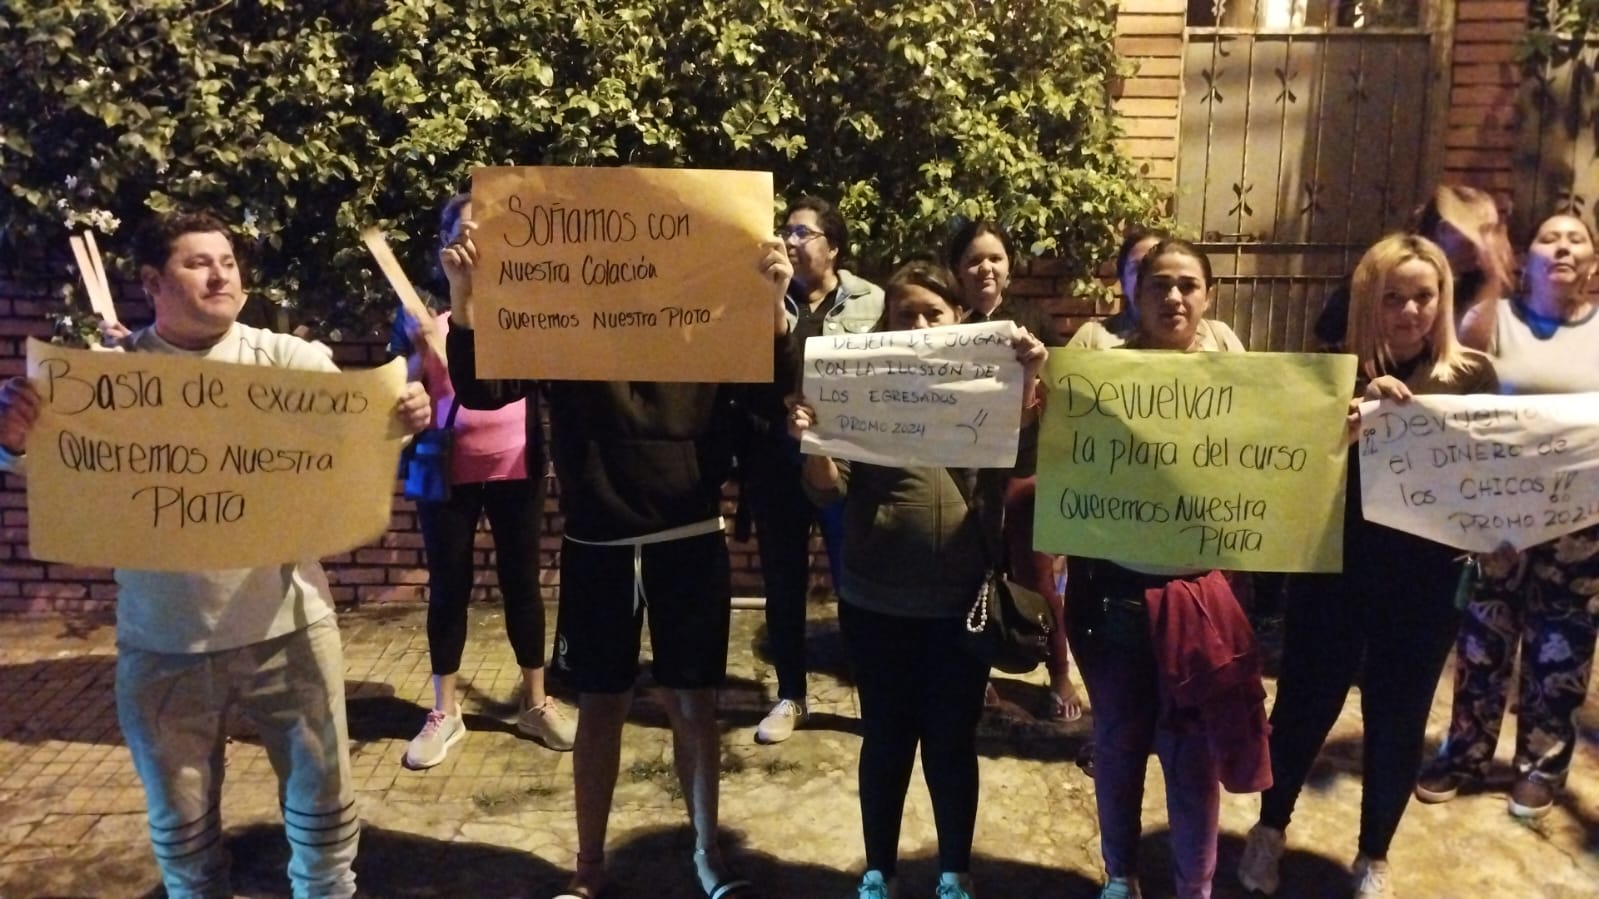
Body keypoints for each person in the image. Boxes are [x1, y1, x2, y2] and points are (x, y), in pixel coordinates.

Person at [0, 209, 433, 898]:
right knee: (183, 829)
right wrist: (15, 434)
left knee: (322, 816)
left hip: (287, 628)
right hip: (162, 638)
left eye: (227, 261)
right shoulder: (106, 381)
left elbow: (355, 433)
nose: (221, 273)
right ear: (153, 281)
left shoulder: (287, 361)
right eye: (198, 262)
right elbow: (38, 468)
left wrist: (401, 411)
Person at [440, 198, 790, 899]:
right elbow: (485, 388)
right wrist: (465, 294)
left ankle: (705, 852)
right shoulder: (569, 319)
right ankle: (589, 867)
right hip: (598, 539)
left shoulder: (707, 322)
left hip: (689, 534)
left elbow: (772, 386)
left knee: (694, 704)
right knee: (600, 705)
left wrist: (775, 303)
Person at [1236, 235, 1497, 898]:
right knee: (1300, 707)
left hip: (1426, 579)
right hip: (1335, 570)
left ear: (1441, 300)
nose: (1408, 310)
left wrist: (1502, 525)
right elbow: (1285, 473)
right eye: (1392, 297)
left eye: (1422, 295)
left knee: (1397, 717)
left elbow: (1489, 474)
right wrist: (1344, 418)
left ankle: (1372, 854)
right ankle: (1268, 830)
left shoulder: (1469, 376)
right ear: (1364, 301)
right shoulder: (1329, 371)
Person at [788, 260, 1048, 899]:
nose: (923, 324)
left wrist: (1031, 374)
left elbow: (1021, 447)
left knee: (952, 741)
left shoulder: (986, 388)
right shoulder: (862, 393)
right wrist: (813, 437)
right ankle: (880, 870)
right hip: (876, 600)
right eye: (908, 315)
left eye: (936, 313)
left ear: (960, 320)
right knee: (886, 738)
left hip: (962, 604)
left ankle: (954, 872)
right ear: (888, 325)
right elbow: (826, 493)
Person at [1064, 238, 1270, 899]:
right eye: (1159, 285)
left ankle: (1194, 886)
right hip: (1115, 594)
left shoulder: (1231, 373)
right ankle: (1119, 875)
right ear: (1134, 292)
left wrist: (1337, 432)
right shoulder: (1099, 371)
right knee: (1119, 746)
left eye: (1188, 284)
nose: (1174, 297)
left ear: (1207, 294)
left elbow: (1277, 449)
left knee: (1193, 758)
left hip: (1198, 598)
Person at [1414, 210, 1599, 820]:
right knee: (1482, 641)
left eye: (1577, 240)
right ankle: (1463, 754)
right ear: (1530, 257)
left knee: (1562, 646)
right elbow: (1454, 385)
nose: (1563, 247)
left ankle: (1540, 766)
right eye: (1550, 238)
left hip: (1581, 524)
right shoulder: (1496, 321)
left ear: (1593, 263)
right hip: (1498, 519)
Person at [392, 194, 575, 769]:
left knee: (523, 581)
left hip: (516, 465)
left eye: (482, 230)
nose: (472, 238)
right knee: (449, 584)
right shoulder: (423, 315)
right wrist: (419, 352)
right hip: (447, 468)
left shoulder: (519, 313)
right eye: (461, 228)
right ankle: (445, 712)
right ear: (445, 242)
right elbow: (401, 392)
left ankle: (536, 702)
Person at [747, 195, 882, 744]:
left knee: (854, 579)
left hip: (844, 462)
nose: (791, 241)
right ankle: (790, 695)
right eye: (786, 231)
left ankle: (871, 692)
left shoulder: (871, 302)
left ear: (834, 247)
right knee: (783, 581)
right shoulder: (761, 299)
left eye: (803, 232)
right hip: (777, 461)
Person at [945, 220, 1082, 720]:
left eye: (995, 258)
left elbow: (1060, 400)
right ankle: (978, 670)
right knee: (971, 577)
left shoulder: (1034, 320)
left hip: (1025, 471)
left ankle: (1060, 672)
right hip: (965, 476)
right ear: (958, 270)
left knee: (1039, 578)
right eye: (974, 259)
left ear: (1009, 267)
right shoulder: (946, 327)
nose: (985, 268)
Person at [1316, 184, 1514, 351]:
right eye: (1483, 230)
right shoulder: (1385, 273)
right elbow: (1328, 335)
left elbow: (1475, 353)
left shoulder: (1476, 281)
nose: (1491, 241)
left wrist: (1493, 280)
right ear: (1445, 231)